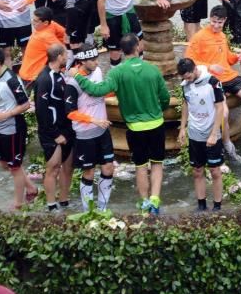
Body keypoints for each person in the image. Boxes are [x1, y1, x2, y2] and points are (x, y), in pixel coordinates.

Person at [74, 34, 171, 214]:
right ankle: (155, 201)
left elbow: (98, 90)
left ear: (122, 51)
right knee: (157, 164)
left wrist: (78, 78)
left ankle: (144, 203)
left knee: (140, 165)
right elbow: (165, 98)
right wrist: (159, 110)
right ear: (137, 47)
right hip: (156, 125)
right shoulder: (153, 69)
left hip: (134, 128)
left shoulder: (116, 72)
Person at [0, 47, 36, 210]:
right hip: (0, 127)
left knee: (15, 167)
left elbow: (26, 104)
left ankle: (18, 204)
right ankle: (32, 188)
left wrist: (7, 115)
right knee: (4, 163)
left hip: (14, 128)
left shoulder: (12, 80)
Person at [185, 5, 241, 109]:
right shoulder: (199, 37)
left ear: (225, 20)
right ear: (210, 18)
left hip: (230, 77)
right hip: (211, 80)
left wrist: (238, 57)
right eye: (213, 22)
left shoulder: (222, 36)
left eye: (219, 22)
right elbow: (188, 61)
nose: (216, 25)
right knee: (223, 113)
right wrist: (209, 67)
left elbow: (227, 58)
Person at [63, 46, 115, 212]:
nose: (96, 62)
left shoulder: (98, 71)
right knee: (89, 173)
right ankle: (88, 212)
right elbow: (70, 113)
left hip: (102, 131)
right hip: (85, 135)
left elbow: (101, 92)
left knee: (108, 167)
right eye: (92, 60)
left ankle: (102, 209)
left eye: (96, 58)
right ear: (82, 61)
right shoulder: (72, 83)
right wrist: (93, 120)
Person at [177, 58, 226, 212]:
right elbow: (185, 104)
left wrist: (213, 134)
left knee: (215, 171)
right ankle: (201, 205)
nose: (187, 80)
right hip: (195, 133)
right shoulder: (185, 85)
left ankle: (217, 206)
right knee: (197, 171)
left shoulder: (213, 82)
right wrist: (182, 128)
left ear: (195, 70)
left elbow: (220, 109)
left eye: (189, 77)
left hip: (212, 134)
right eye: (184, 78)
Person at [34, 43, 74, 211]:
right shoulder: (45, 78)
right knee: (53, 168)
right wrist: (55, 134)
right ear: (59, 57)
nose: (67, 57)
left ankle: (64, 201)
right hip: (52, 132)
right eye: (65, 55)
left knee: (68, 167)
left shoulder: (61, 74)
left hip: (67, 128)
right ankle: (51, 205)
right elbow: (41, 110)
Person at [17, 7, 65, 85]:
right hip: (30, 77)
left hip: (32, 77)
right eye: (33, 19)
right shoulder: (51, 24)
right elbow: (65, 35)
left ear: (45, 23)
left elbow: (63, 53)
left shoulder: (46, 36)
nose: (32, 22)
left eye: (36, 21)